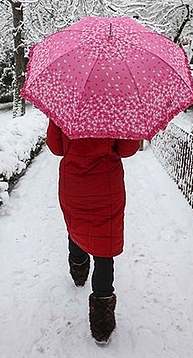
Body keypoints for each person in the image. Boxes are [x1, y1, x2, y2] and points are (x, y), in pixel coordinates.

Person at [45, 119, 140, 345]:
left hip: (73, 183)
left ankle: (78, 272)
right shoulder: (115, 108)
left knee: (76, 226)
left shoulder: (65, 106)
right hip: (106, 185)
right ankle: (102, 324)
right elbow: (128, 150)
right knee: (104, 245)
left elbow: (55, 147)